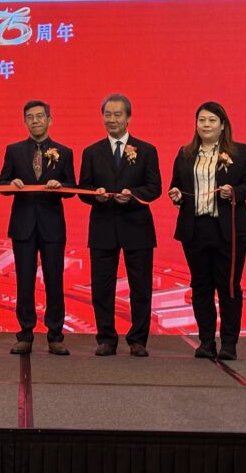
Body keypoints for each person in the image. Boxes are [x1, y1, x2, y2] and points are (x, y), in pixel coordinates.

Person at [168, 101, 246, 361]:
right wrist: (176, 195)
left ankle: (229, 343)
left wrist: (235, 192)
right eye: (201, 120)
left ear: (222, 126)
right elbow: (176, 185)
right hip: (195, 229)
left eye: (211, 120)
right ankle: (206, 342)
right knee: (200, 286)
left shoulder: (239, 152)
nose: (206, 125)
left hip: (228, 230)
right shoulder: (185, 153)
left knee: (228, 286)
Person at [78, 93, 161, 357]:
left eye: (117, 114)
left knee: (140, 286)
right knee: (102, 286)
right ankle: (106, 339)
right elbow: (83, 189)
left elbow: (154, 188)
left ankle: (138, 340)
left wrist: (133, 195)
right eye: (107, 114)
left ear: (128, 118)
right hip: (103, 226)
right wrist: (96, 195)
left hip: (137, 226)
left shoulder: (146, 150)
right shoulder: (92, 152)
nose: (112, 119)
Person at [0, 100, 76, 356]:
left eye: (40, 116)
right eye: (30, 117)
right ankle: (25, 334)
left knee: (54, 280)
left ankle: (55, 336)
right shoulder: (14, 150)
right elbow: (1, 184)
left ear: (49, 120)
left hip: (52, 226)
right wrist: (12, 184)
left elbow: (72, 188)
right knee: (24, 281)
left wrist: (60, 186)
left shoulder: (64, 152)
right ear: (24, 122)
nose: (35, 121)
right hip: (23, 226)